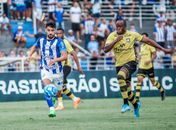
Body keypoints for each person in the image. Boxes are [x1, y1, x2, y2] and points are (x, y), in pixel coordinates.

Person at [104, 19, 172, 118]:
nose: (118, 28)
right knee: (128, 91)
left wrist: (163, 49)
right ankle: (136, 106)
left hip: (131, 63)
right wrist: (115, 40)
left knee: (120, 76)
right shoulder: (112, 35)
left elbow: (148, 41)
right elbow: (105, 50)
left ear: (125, 27)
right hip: (119, 65)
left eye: (120, 26)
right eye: (116, 26)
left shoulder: (132, 34)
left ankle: (125, 104)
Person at [29, 22, 67, 117]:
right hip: (45, 69)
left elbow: (65, 56)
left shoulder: (59, 41)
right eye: (49, 30)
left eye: (52, 30)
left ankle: (54, 98)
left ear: (55, 31)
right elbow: (34, 46)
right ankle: (52, 109)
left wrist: (55, 60)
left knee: (58, 91)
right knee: (47, 89)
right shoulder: (41, 40)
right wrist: (29, 55)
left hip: (58, 71)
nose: (50, 32)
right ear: (46, 30)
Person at [55, 28, 83, 110]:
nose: (58, 35)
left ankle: (60, 104)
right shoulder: (56, 42)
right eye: (57, 33)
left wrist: (78, 66)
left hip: (66, 66)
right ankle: (75, 99)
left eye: (60, 33)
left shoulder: (65, 42)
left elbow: (74, 54)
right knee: (62, 86)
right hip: (59, 67)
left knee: (59, 85)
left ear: (63, 34)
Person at [136, 33, 165, 102]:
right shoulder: (141, 46)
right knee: (139, 80)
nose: (143, 38)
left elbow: (155, 55)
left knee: (153, 82)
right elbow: (140, 56)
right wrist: (138, 58)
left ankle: (162, 90)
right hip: (141, 66)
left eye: (144, 37)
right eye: (142, 37)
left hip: (149, 67)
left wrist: (150, 60)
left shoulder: (151, 45)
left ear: (147, 38)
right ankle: (137, 98)